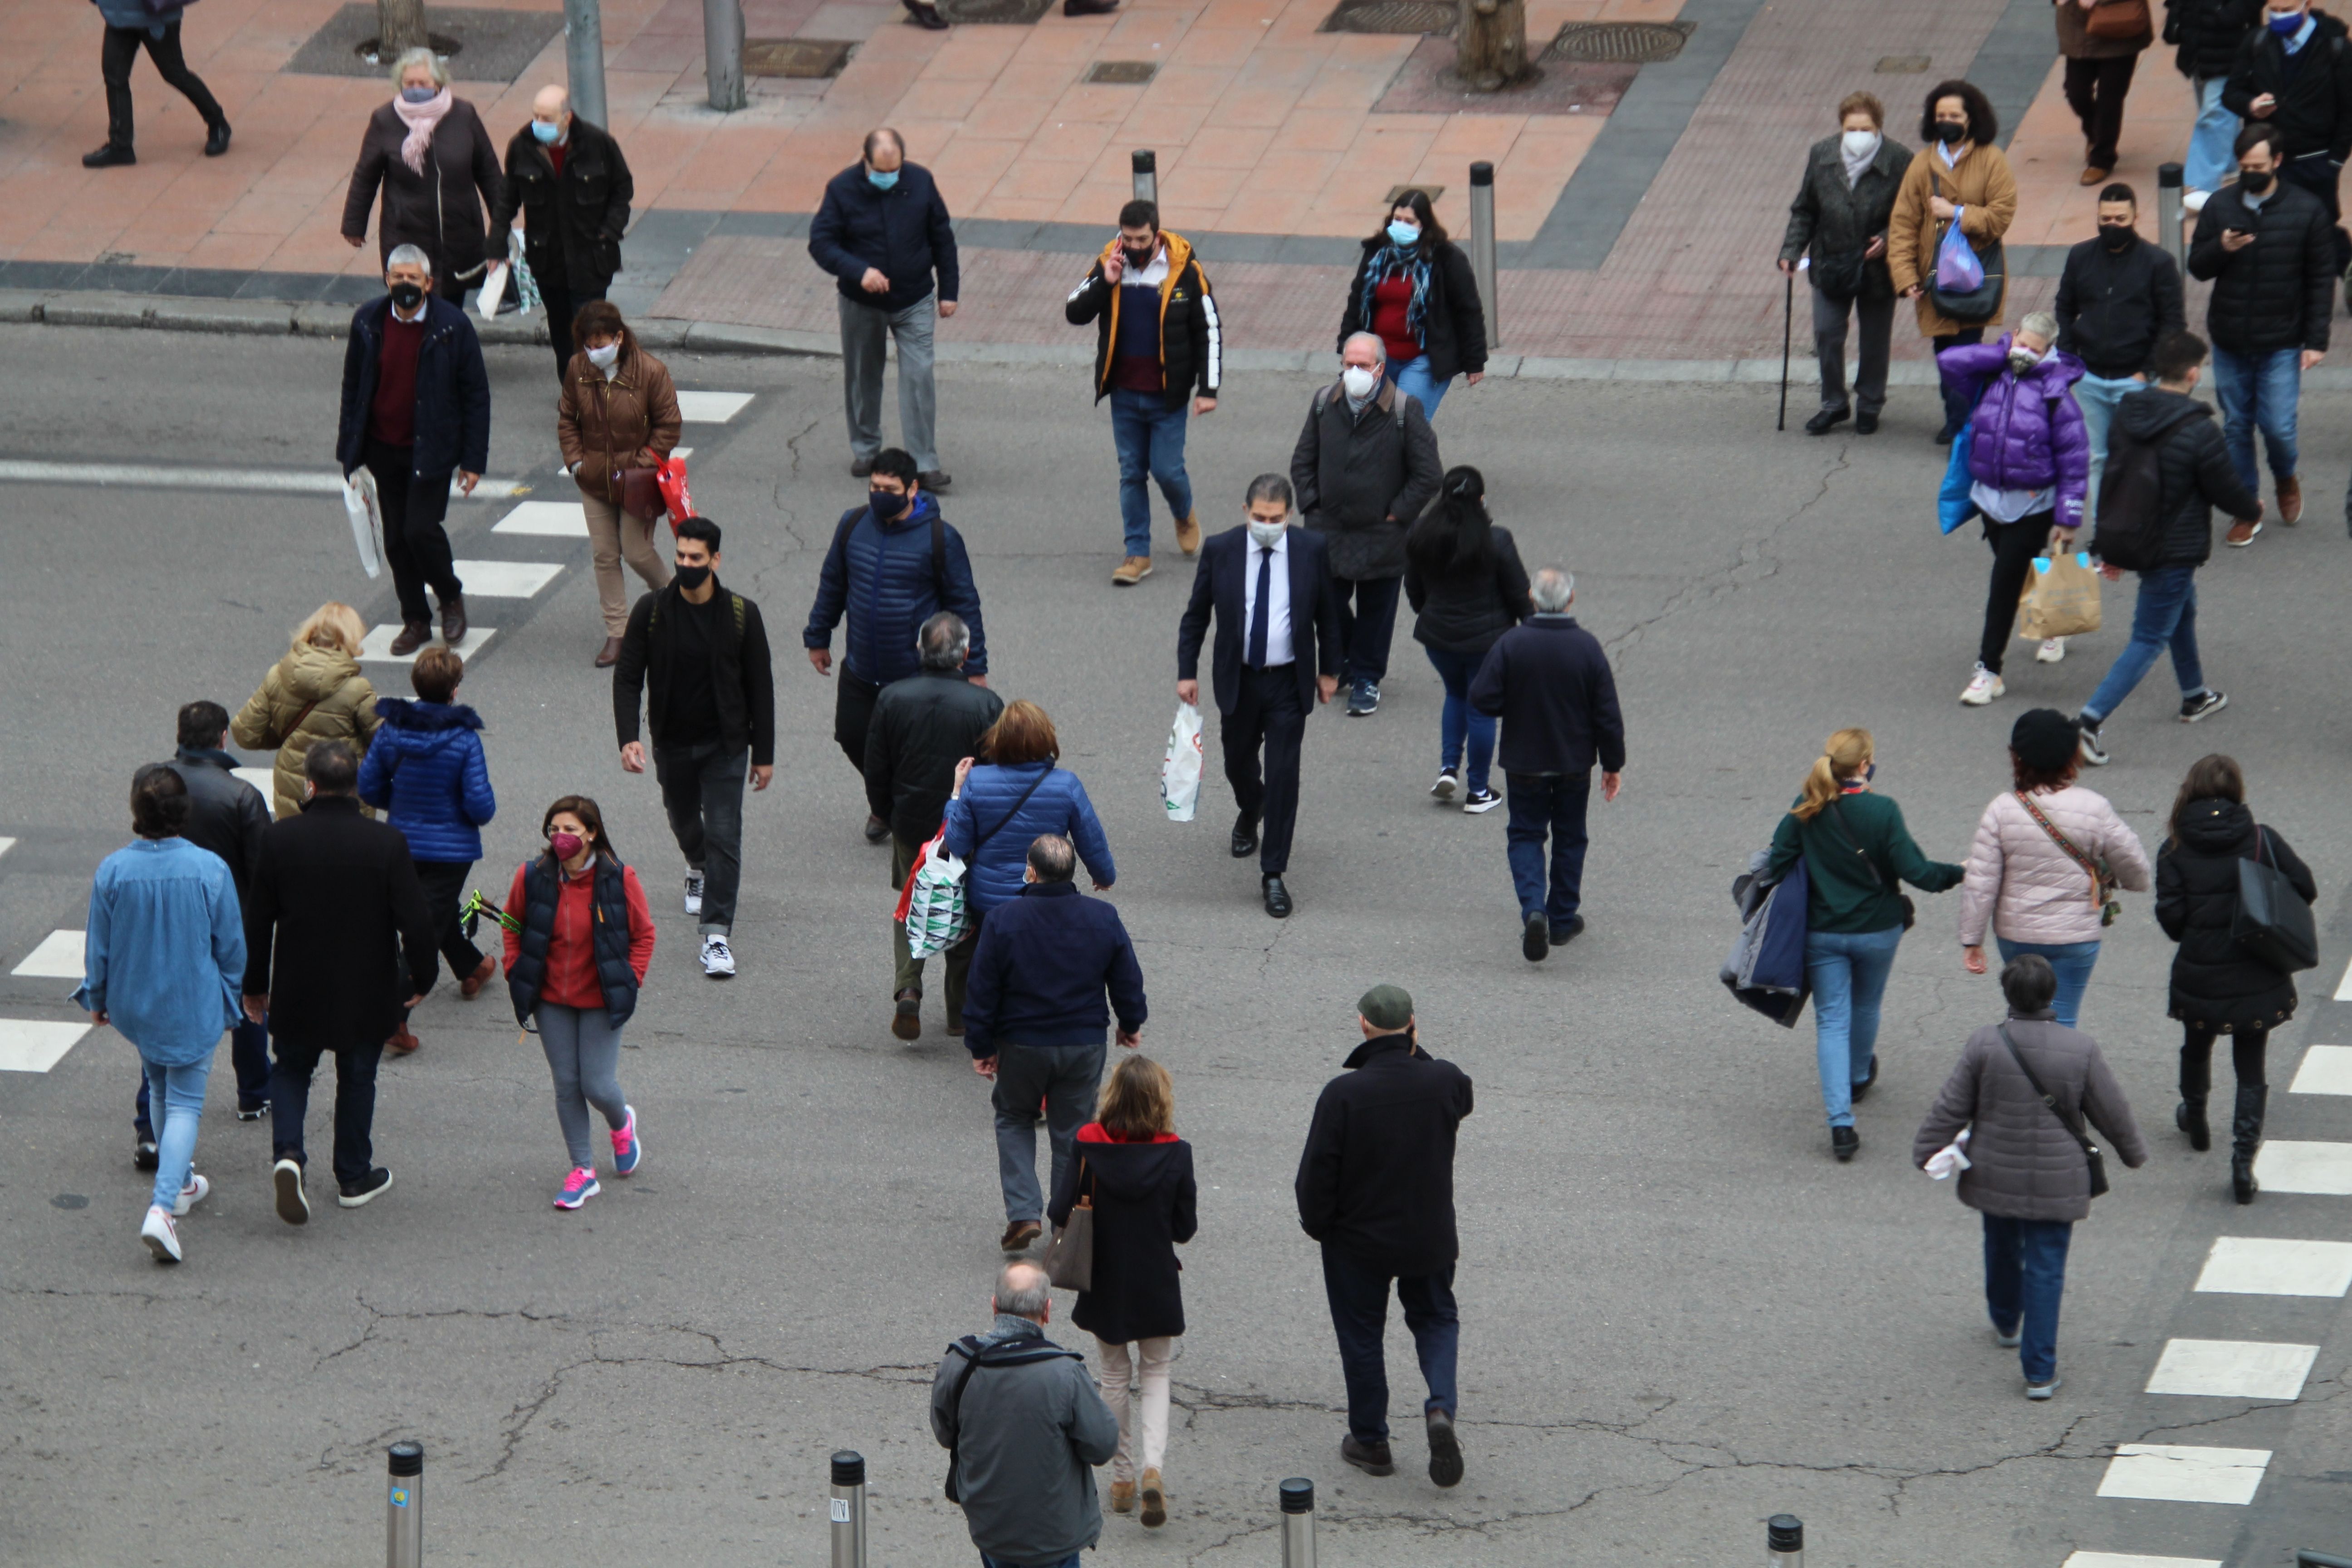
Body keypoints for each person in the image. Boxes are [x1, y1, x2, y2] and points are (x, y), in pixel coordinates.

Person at [1912, 954, 2148, 1399]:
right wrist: (2133, 1154)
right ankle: (2040, 1371)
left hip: (1993, 1172)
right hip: (2059, 1179)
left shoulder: (1985, 1044)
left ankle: (2005, 1320)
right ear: (2052, 993)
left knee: (2000, 1245)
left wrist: (1926, 1149)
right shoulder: (2080, 1049)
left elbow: (1951, 1106)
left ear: (2008, 995)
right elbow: (2112, 1112)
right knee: (2046, 1268)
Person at [245, 741, 435, 1224]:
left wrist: (253, 983)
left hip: (298, 980)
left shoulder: (280, 839)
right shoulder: (385, 843)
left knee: (289, 1070)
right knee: (358, 1076)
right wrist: (422, 976)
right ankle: (353, 1175)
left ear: (309, 785)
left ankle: (289, 1154)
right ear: (356, 787)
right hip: (366, 984)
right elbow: (414, 920)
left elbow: (259, 920)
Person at [1294, 985, 1475, 1486]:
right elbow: (1461, 1094)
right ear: (1414, 1025)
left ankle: (1371, 1441)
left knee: (1362, 1336)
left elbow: (1316, 1176)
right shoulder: (1445, 1081)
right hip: (1429, 1233)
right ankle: (1440, 1408)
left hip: (1359, 1241)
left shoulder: (1344, 1094)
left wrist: (1320, 1227)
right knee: (1436, 1318)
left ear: (1362, 1026)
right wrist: (1416, 1051)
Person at [1764, 728, 1965, 1161]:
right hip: (1878, 931)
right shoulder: (1882, 810)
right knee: (1867, 1005)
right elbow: (1920, 874)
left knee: (1832, 1021)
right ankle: (1858, 1076)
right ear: (1864, 764)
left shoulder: (1807, 806)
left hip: (1822, 933)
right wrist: (1960, 871)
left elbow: (1776, 862)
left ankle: (1841, 1124)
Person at [75, 767, 243, 1264]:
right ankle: (163, 1207)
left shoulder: (113, 871)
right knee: (187, 1102)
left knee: (159, 1086)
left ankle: (184, 1183)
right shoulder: (210, 869)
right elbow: (231, 946)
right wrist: (230, 997)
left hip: (138, 1003)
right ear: (183, 812)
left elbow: (98, 948)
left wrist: (99, 997)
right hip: (192, 1001)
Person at [2077, 330, 2260, 764]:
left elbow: (2116, 477)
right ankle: (2086, 723)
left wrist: (2108, 544)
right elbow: (2226, 492)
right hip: (2173, 546)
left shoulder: (2127, 412)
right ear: (2195, 374)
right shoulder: (2200, 429)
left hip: (2133, 534)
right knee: (2148, 637)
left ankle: (2195, 695)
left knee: (2183, 608)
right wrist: (2253, 507)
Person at [613, 517, 776, 980]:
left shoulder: (742, 615)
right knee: (684, 820)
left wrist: (763, 754)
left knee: (725, 832)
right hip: (673, 742)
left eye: (695, 559)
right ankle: (696, 863)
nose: (686, 565)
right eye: (681, 556)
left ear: (715, 561)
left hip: (726, 745)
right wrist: (629, 737)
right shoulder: (652, 611)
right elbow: (627, 677)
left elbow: (760, 687)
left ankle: (717, 935)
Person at [964, 834, 1144, 1254]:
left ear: (1031, 870)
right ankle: (1066, 1222)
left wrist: (981, 1046)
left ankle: (1024, 1212)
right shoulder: (1102, 917)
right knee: (1072, 1131)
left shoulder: (1004, 920)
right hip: (1083, 1042)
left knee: (1013, 1117)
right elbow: (1126, 977)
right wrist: (1129, 1022)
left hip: (1022, 1043)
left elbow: (983, 990)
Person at [1175, 475, 1343, 919]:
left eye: (1276, 519)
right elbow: (1196, 617)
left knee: (1285, 774)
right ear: (1245, 511)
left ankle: (1273, 873)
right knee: (1237, 761)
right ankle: (1252, 807)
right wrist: (1185, 673)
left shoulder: (1311, 550)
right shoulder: (1220, 550)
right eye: (1259, 517)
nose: (1267, 525)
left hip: (1289, 682)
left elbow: (1330, 614)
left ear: (1289, 516)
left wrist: (1330, 671)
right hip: (1241, 679)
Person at [2154, 754, 2316, 1202]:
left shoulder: (2174, 849)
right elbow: (2306, 886)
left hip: (2200, 973)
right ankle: (2243, 1163)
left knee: (2196, 1043)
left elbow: (2172, 921)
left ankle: (2198, 1119)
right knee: (2251, 1065)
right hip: (2258, 969)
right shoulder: (2262, 839)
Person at [803, 448, 988, 840]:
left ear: (913, 488)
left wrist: (975, 668)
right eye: (874, 486)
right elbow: (833, 583)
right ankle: (887, 806)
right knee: (853, 737)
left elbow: (965, 605)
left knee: (912, 752)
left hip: (912, 675)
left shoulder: (941, 538)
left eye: (890, 488)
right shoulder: (853, 524)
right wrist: (818, 636)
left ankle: (900, 812)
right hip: (861, 667)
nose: (879, 494)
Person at [1046, 1054, 1195, 1530]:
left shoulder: (1087, 1145)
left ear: (1111, 1097)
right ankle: (1154, 1467)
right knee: (1156, 1372)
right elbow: (1185, 1228)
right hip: (1155, 1278)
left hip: (1105, 1277)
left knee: (1113, 1376)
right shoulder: (1176, 1153)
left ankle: (1123, 1478)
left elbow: (1059, 1207)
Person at [500, 796, 656, 1211]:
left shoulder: (619, 879)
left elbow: (644, 936)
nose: (561, 838)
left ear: (591, 833)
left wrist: (631, 978)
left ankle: (622, 1125)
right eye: (554, 830)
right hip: (551, 999)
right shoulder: (532, 876)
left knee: (598, 1085)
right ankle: (582, 1171)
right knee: (567, 1085)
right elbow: (513, 923)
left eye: (570, 830)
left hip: (601, 998)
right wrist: (514, 965)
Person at [334, 243, 491, 654]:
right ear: (387, 280)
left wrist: (473, 460)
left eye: (413, 279)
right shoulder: (368, 321)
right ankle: (416, 619)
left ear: (429, 283)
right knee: (396, 542)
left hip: (431, 450)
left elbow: (476, 394)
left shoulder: (452, 326)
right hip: (383, 448)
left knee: (420, 529)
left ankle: (450, 596)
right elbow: (353, 388)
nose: (405, 285)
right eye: (398, 278)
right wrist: (349, 454)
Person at [1957, 709, 2153, 1029]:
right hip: (2074, 937)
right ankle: (2058, 1076)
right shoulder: (2095, 808)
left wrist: (1972, 939)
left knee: (2023, 1014)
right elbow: (2138, 871)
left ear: (2016, 758)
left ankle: (2018, 1068)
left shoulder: (2002, 810)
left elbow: (1982, 882)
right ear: (2073, 756)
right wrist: (2118, 879)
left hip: (2016, 934)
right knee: (2064, 1019)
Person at [1469, 566, 1623, 959]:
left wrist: (1515, 704)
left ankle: (1534, 908)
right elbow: (1606, 713)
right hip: (1574, 762)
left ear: (1532, 598)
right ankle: (1562, 917)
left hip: (1525, 761)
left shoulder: (1512, 643)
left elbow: (1482, 698)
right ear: (1570, 599)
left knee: (1526, 834)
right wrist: (1612, 764)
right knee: (1571, 837)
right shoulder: (1587, 648)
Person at [1064, 198, 1221, 585]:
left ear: (1157, 234)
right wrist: (1107, 280)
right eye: (1127, 238)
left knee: (1167, 470)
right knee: (1131, 472)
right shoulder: (1109, 263)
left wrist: (1209, 388)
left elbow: (1209, 330)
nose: (1133, 246)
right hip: (1124, 394)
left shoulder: (1185, 271)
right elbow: (1074, 311)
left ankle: (1183, 512)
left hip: (1167, 395)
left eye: (1141, 239)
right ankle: (1138, 553)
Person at [2187, 122, 2333, 532]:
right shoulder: (2220, 205)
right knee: (2236, 425)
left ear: (2277, 162)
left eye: (2258, 165)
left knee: (2278, 427)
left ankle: (2286, 476)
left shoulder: (2307, 210)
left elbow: (2321, 279)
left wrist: (2316, 341)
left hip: (2282, 340)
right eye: (2244, 165)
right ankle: (2247, 505)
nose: (2250, 172)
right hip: (2231, 337)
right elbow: (2197, 267)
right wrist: (2222, 248)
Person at [1939, 311, 2091, 702]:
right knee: (2015, 572)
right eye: (2020, 344)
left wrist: (2068, 519)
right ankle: (2053, 623)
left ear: (2049, 352)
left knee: (2003, 583)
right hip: (1990, 499)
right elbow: (1950, 363)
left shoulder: (2058, 395)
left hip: (2032, 506)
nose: (2025, 354)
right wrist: (1999, 354)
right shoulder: (1993, 374)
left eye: (2034, 351)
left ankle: (1989, 670)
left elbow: (2075, 461)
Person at [865, 612, 1003, 1041]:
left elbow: (876, 767)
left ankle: (908, 986)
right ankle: (959, 1011)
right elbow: (998, 771)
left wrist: (889, 811)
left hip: (910, 822)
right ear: (965, 654)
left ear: (920, 650)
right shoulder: (986, 704)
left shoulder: (892, 698)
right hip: (966, 826)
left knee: (912, 902)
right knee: (964, 910)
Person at [1289, 332, 1443, 716]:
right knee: (1326, 604)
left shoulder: (1406, 410)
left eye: (1362, 365)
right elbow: (1303, 460)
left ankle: (1366, 679)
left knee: (1377, 612)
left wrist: (1397, 514)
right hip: (1330, 530)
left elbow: (1428, 476)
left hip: (1382, 535)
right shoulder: (1326, 402)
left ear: (1380, 368)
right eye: (1348, 364)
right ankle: (1340, 665)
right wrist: (1313, 505)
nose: (1354, 372)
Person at [929, 1261, 1120, 1568]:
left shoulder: (959, 1363)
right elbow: (1103, 1445)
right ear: (1047, 1310)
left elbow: (945, 1433)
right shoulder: (1065, 1373)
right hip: (1054, 1538)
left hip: (992, 1530)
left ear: (995, 1307)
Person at [808, 128, 957, 490]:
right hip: (862, 303)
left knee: (919, 377)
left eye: (895, 169)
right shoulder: (842, 189)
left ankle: (924, 462)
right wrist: (860, 272)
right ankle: (866, 448)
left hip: (915, 298)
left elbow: (942, 236)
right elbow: (822, 243)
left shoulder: (920, 182)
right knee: (863, 375)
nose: (889, 177)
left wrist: (949, 291)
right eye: (881, 170)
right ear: (866, 162)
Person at [358, 647, 499, 1011]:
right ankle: (395, 1013)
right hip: (451, 851)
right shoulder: (465, 739)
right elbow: (480, 807)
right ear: (454, 690)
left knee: (432, 909)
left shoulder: (391, 732)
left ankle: (472, 967)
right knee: (424, 928)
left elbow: (370, 787)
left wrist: (404, 806)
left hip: (402, 843)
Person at [159, 701, 272, 1128]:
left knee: (171, 1008)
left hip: (170, 913)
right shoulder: (242, 795)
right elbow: (261, 869)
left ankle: (151, 1116)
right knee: (249, 1004)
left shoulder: (154, 782)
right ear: (223, 737)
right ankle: (254, 1092)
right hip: (230, 915)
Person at [1889, 80, 2020, 442]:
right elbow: (1903, 223)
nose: (1947, 121)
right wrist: (1904, 276)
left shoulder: (1992, 159)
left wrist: (1957, 212)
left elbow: (2001, 216)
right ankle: (1961, 419)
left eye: (1955, 115)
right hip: (1934, 279)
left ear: (1971, 118)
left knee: (1966, 349)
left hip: (1977, 276)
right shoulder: (1921, 164)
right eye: (1941, 115)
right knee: (1946, 353)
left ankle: (1965, 425)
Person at [1779, 91, 1913, 435]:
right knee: (1827, 332)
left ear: (1878, 128)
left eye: (1865, 129)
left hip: (1876, 268)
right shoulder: (1822, 154)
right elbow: (1805, 209)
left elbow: (1913, 212)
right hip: (1831, 262)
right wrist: (1791, 250)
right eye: (1851, 128)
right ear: (1841, 127)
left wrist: (1888, 236)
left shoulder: (1900, 159)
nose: (1857, 136)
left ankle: (1870, 403)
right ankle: (1834, 403)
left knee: (1874, 339)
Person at [556, 299, 680, 668]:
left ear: (619, 337)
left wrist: (638, 466)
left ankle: (679, 602)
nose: (595, 352)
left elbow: (668, 427)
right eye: (588, 345)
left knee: (638, 552)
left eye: (601, 343)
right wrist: (577, 461)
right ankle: (618, 632)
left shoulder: (651, 372)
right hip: (594, 479)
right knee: (605, 555)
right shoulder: (578, 368)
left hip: (636, 481)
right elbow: (567, 418)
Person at [485, 84, 635, 378]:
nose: (539, 124)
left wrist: (609, 231)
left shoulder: (597, 144)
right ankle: (572, 390)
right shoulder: (522, 147)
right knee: (561, 330)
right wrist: (495, 246)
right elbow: (506, 199)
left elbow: (622, 188)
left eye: (547, 118)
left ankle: (595, 390)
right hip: (548, 261)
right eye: (536, 116)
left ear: (567, 118)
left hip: (591, 258)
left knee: (593, 329)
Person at [1403, 466, 1528, 811]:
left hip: (1439, 639)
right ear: (1482, 500)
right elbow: (1519, 594)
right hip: (1487, 644)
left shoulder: (1421, 534)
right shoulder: (1496, 540)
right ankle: (1478, 790)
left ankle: (1448, 769)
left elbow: (1413, 587)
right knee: (1482, 709)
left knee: (1455, 695)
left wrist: (1429, 614)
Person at [339, 49, 502, 304]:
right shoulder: (385, 120)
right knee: (411, 307)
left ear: (438, 82)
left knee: (451, 308)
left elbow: (489, 170)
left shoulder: (464, 115)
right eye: (409, 83)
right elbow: (365, 175)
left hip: (458, 232)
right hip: (406, 233)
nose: (416, 89)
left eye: (423, 83)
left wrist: (501, 222)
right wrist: (354, 224)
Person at [2055, 182, 2186, 498]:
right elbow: (2064, 308)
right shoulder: (2080, 256)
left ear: (2135, 217)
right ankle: (2104, 535)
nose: (2112, 225)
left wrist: (2147, 370)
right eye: (2106, 219)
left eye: (2120, 219)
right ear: (2097, 216)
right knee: (2097, 460)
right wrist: (2070, 359)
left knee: (2140, 460)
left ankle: (2140, 533)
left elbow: (2173, 324)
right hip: (2090, 379)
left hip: (2136, 381)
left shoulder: (2158, 263)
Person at [941, 702, 1116, 938]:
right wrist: (1103, 875)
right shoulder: (1066, 785)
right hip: (1045, 899)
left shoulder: (977, 782)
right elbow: (1090, 839)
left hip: (988, 901)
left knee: (994, 963)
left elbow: (956, 844)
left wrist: (955, 795)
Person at [2222, 0, 2352, 270]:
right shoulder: (2257, 42)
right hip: (2268, 161)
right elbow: (2232, 92)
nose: (2279, 17)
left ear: (2306, 7)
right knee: (2269, 233)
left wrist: (2335, 161)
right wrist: (2251, 105)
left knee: (2324, 231)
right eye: (2275, 11)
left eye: (2287, 10)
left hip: (2316, 160)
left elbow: (2349, 110)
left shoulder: (2334, 46)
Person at [1338, 188, 1487, 421]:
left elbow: (1468, 311)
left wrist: (1475, 360)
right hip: (1379, 357)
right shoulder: (1377, 254)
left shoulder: (1447, 260)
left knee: (1406, 423)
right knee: (1366, 423)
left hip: (1423, 359)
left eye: (1409, 221)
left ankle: (1412, 458)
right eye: (1397, 219)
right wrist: (1347, 347)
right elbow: (1358, 300)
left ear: (1424, 225)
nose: (1402, 225)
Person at [232, 602, 382, 822]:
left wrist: (286, 738)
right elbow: (381, 740)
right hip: (344, 788)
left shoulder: (278, 675)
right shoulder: (357, 689)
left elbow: (245, 732)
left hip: (295, 789)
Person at [83, 0, 228, 168]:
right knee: (114, 77)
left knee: (175, 74)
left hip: (155, 18)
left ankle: (218, 122)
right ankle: (120, 146)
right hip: (119, 16)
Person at [2166, 0, 2263, 210]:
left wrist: (2214, 10)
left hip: (2231, 54)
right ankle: (2232, 162)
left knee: (2215, 114)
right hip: (2199, 52)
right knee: (2214, 113)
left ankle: (2203, 185)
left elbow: (2238, 12)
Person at [2058, 0, 2154, 186]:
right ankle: (2095, 134)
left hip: (2119, 27)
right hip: (2078, 29)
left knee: (2110, 99)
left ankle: (2102, 159)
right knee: (2076, 91)